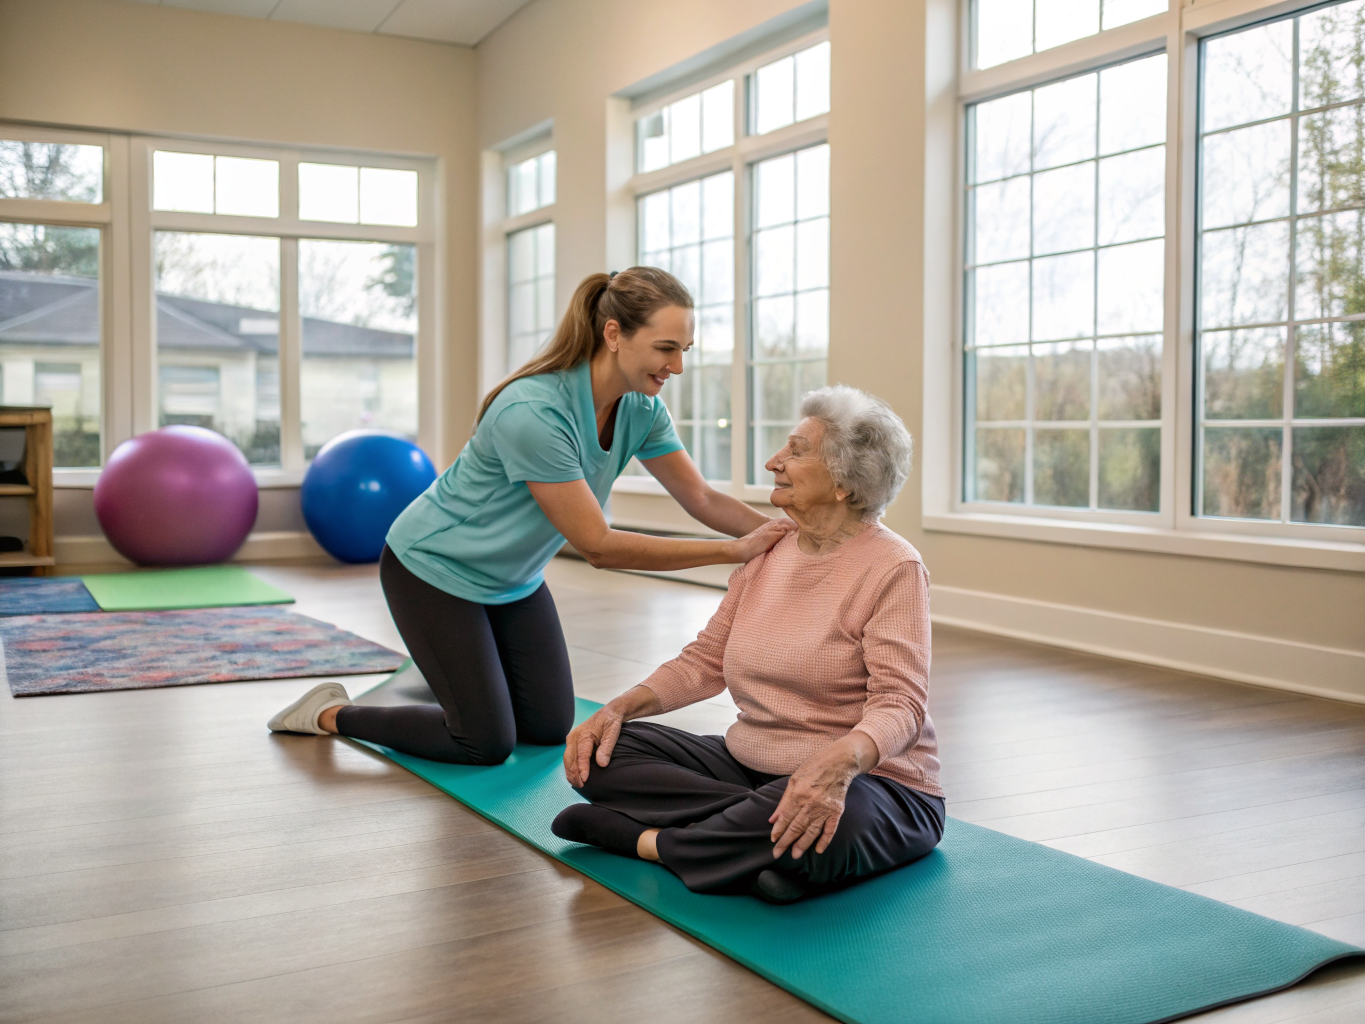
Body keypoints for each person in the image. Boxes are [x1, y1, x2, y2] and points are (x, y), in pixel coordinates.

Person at [268, 267, 792, 763]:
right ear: (614, 334)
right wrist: (733, 551)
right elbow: (598, 546)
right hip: (432, 569)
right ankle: (330, 713)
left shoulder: (642, 408)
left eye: (684, 350)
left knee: (545, 729)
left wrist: (792, 532)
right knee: (483, 742)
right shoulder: (535, 412)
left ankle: (460, 673)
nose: (676, 366)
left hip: (513, 582)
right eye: (665, 349)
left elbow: (700, 498)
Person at [550, 385, 943, 904]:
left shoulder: (894, 567)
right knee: (606, 753)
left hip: (874, 782)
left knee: (832, 824)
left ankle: (653, 843)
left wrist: (840, 762)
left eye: (796, 452)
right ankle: (760, 845)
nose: (773, 462)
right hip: (752, 769)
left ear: (846, 481)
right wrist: (620, 707)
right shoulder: (769, 548)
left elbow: (902, 704)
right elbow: (705, 660)